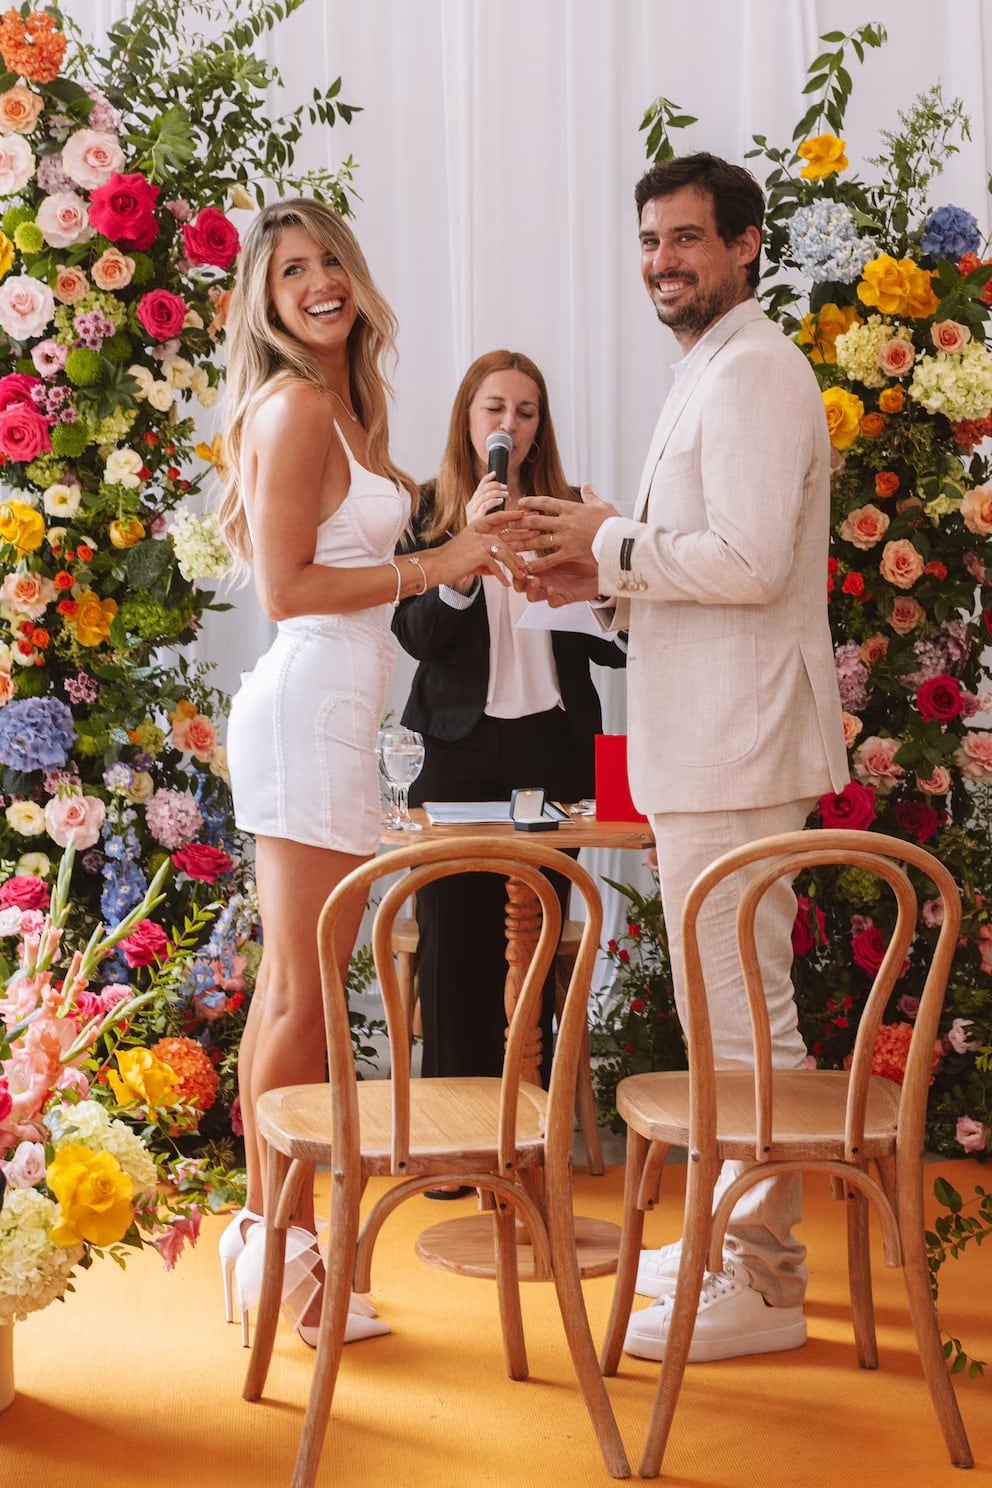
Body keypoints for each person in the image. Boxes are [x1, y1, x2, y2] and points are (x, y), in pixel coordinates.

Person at [516, 154, 849, 1362]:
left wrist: (610, 539)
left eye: (687, 240)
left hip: (739, 748)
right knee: (721, 1020)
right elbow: (698, 563)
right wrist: (592, 573)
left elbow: (753, 563)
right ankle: (721, 1241)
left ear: (746, 244)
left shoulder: (755, 369)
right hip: (707, 744)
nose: (662, 261)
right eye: (649, 240)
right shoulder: (708, 368)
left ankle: (762, 1281)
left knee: (746, 1022)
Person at [217, 200, 525, 1341]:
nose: (319, 281)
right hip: (307, 703)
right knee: (304, 991)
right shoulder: (297, 408)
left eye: (330, 260)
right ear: (268, 296)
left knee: (293, 988)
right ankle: (290, 1262)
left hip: (338, 710)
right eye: (292, 269)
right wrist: (434, 562)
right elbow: (289, 591)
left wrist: (458, 554)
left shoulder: (345, 406)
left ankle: (268, 1253)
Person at [391, 349, 626, 1110]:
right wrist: (462, 558)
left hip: (550, 754)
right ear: (469, 418)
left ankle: (532, 1137)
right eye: (495, 409)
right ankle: (452, 1144)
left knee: (532, 944)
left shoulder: (568, 511)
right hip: (453, 753)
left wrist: (600, 571)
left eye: (525, 412)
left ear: (539, 427)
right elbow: (418, 639)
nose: (509, 424)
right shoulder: (427, 511)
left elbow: (616, 647)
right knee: (453, 948)